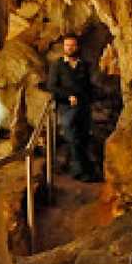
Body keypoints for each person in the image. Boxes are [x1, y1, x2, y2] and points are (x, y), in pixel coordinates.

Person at [47, 33, 100, 182]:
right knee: (73, 137)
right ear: (64, 47)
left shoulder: (84, 65)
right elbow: (52, 86)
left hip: (83, 106)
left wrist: (88, 99)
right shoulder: (57, 65)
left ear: (77, 47)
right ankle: (81, 172)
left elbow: (89, 86)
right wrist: (68, 96)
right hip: (66, 107)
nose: (69, 48)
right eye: (67, 45)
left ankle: (83, 169)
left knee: (83, 138)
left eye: (72, 45)